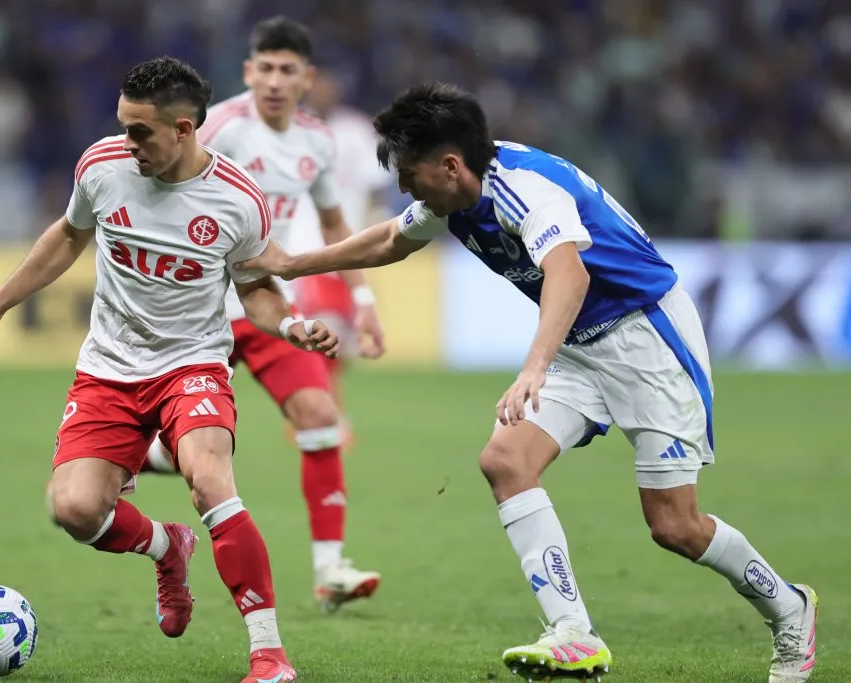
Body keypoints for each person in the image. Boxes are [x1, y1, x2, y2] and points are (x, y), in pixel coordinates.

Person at [239, 82, 818, 683]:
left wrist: (534, 367)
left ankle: (789, 607)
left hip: (649, 341)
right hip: (580, 344)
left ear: (450, 165)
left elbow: (569, 275)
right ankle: (573, 632)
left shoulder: (525, 188)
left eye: (409, 175)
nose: (404, 189)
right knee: (505, 460)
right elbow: (390, 239)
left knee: (675, 526)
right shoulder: (456, 193)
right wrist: (291, 264)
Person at [0, 56, 340, 683]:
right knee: (74, 510)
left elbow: (256, 289)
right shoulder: (102, 167)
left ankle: (269, 655)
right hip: (108, 368)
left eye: (140, 131)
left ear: (183, 128)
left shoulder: (237, 199)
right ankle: (167, 546)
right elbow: (68, 236)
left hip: (192, 365)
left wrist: (290, 326)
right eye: (123, 126)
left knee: (210, 481)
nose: (128, 142)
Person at [140, 16, 384, 613]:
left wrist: (363, 300)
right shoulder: (219, 126)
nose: (275, 80)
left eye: (287, 70)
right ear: (249, 71)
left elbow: (334, 223)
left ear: (307, 78)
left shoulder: (316, 142)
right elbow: (164, 193)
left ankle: (331, 570)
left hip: (267, 303)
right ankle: (140, 456)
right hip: (203, 313)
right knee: (195, 454)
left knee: (320, 415)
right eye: (265, 68)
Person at [288, 66, 394, 441]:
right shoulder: (291, 129)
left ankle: (310, 408)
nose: (322, 92)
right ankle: (325, 416)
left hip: (349, 248)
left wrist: (375, 229)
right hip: (305, 247)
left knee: (341, 342)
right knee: (322, 330)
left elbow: (376, 188)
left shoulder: (358, 131)